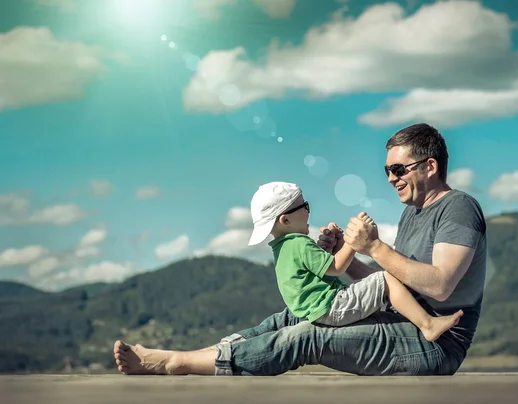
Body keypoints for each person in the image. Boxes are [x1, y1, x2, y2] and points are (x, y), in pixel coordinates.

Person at [113, 123, 487, 376]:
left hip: (433, 344)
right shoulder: (414, 215)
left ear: (431, 166)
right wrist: (349, 252)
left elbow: (439, 286)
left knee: (307, 336)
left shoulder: (458, 207)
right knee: (290, 317)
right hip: (399, 321)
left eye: (399, 169)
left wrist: (374, 245)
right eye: (387, 170)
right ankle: (198, 355)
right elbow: (393, 281)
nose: (390, 178)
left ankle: (176, 363)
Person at [246, 181, 463, 341]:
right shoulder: (299, 243)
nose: (308, 213)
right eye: (305, 207)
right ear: (286, 219)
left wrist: (329, 248)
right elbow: (337, 268)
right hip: (331, 307)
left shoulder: (282, 249)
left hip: (317, 312)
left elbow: (319, 271)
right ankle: (428, 324)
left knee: (375, 286)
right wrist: (352, 241)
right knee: (385, 279)